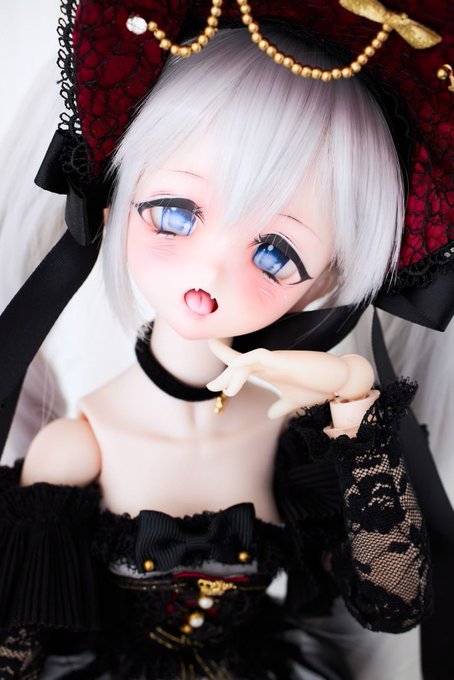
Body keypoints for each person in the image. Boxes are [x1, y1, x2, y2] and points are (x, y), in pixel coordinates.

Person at [0, 2, 452, 679]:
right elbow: (15, 654)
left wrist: (356, 396)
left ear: (328, 277)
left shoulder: (292, 439)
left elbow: (393, 602)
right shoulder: (77, 446)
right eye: (175, 214)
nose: (210, 273)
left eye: (275, 254)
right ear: (117, 198)